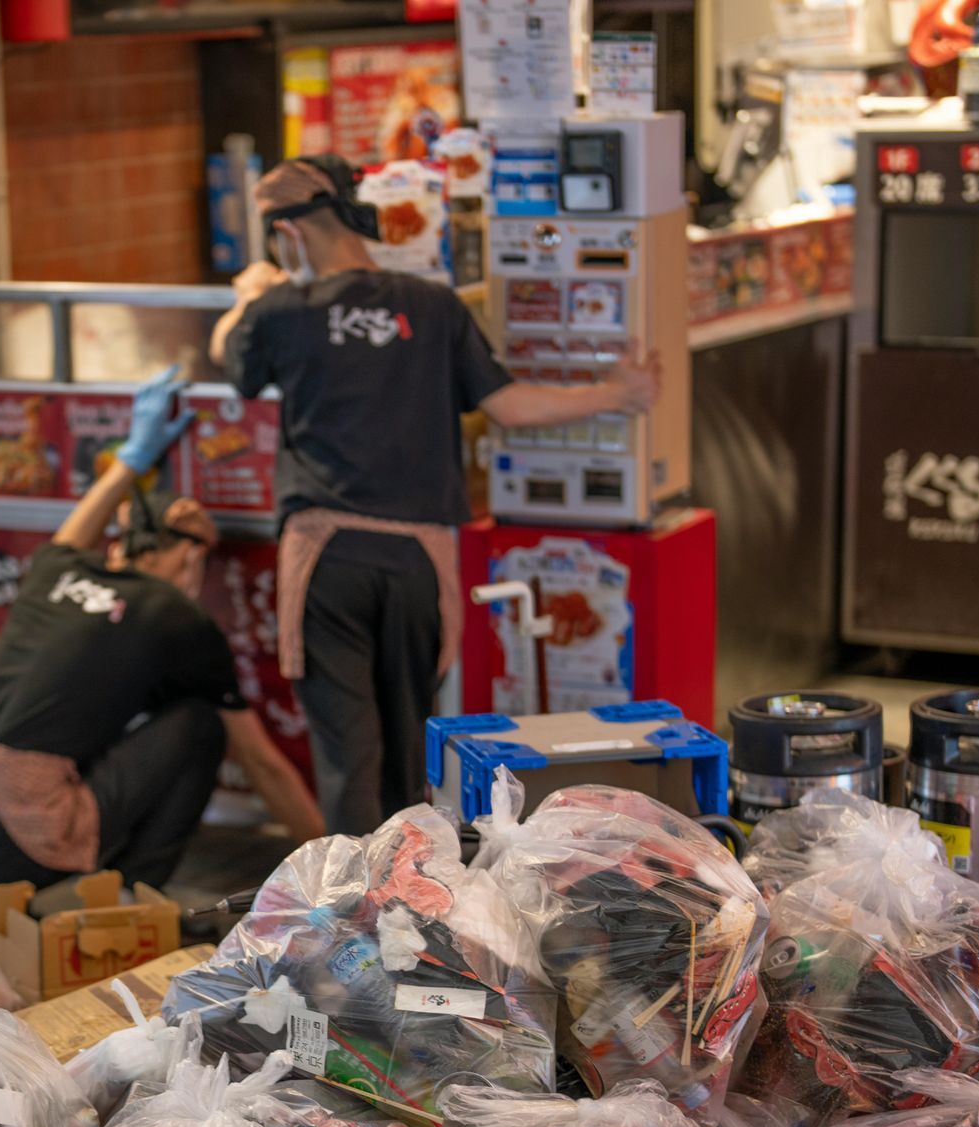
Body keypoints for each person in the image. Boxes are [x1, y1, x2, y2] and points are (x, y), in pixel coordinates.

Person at [209, 154, 665, 836]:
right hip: (419, 557)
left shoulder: (280, 310)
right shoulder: (431, 305)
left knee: (347, 756)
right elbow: (507, 405)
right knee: (405, 750)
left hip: (327, 556)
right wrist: (618, 394)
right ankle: (413, 906)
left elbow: (227, 357)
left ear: (291, 235)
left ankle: (357, 917)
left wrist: (249, 292)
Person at [0, 367, 324, 894]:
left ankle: (1, 896)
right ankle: (130, 898)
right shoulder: (173, 613)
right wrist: (333, 868)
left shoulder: (56, 571)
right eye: (199, 544)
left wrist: (133, 459)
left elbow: (75, 532)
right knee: (201, 723)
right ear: (184, 553)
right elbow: (261, 765)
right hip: (23, 834)